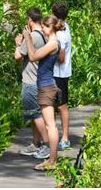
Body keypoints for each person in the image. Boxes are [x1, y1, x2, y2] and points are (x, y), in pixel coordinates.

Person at [23, 15, 64, 171]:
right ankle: (51, 159)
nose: (43, 29)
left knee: (50, 126)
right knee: (49, 125)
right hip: (46, 85)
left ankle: (52, 161)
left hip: (47, 87)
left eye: (45, 27)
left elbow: (32, 56)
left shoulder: (53, 43)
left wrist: (27, 37)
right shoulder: (52, 43)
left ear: (51, 28)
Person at [14, 8, 50, 159]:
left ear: (29, 19)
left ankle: (46, 145)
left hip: (31, 81)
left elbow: (18, 56)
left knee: (36, 115)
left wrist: (18, 43)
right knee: (34, 114)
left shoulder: (32, 37)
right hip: (39, 79)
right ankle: (36, 143)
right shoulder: (43, 35)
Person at [52, 1, 72, 150]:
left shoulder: (61, 34)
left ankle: (65, 138)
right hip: (59, 73)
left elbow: (61, 57)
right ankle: (53, 137)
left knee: (62, 106)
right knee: (53, 106)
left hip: (60, 74)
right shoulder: (65, 26)